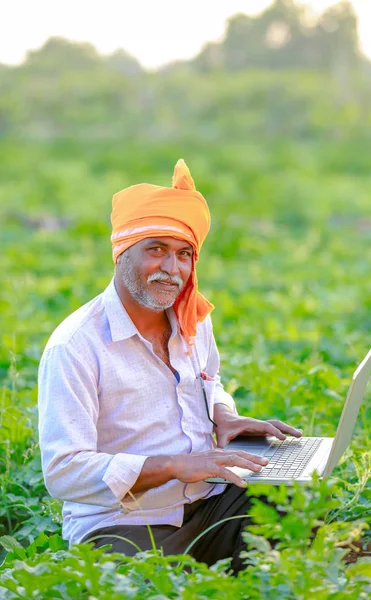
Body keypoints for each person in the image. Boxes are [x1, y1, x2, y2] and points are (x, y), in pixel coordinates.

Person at [38, 159, 302, 574]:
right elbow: (63, 472)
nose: (172, 269)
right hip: (125, 523)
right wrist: (172, 465)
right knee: (143, 583)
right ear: (122, 253)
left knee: (297, 507)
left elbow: (207, 382)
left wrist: (224, 415)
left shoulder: (193, 319)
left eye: (184, 254)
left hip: (207, 502)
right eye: (155, 250)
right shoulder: (75, 346)